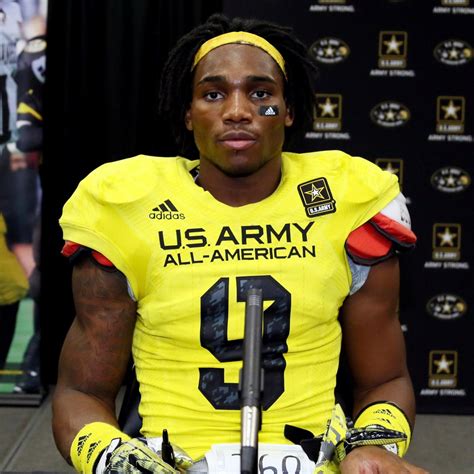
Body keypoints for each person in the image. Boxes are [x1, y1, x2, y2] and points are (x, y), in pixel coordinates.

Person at [53, 13, 427, 474]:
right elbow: (81, 392)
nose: (237, 111)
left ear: (288, 110)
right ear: (188, 113)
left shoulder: (345, 198)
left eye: (261, 94)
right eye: (213, 94)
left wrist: (374, 447)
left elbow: (386, 380)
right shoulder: (127, 202)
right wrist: (115, 460)